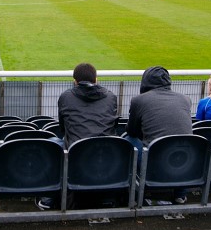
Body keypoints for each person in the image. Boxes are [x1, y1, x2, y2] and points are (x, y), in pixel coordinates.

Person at [36, 63, 118, 211]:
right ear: (96, 80)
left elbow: (63, 128)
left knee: (52, 143)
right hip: (105, 153)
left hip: (76, 154)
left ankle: (48, 197)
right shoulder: (111, 97)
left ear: (75, 81)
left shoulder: (66, 97)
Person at [125, 66, 192, 204]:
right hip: (185, 161)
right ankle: (180, 193)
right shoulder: (185, 99)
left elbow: (131, 131)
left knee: (128, 139)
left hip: (155, 161)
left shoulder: (139, 100)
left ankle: (136, 189)